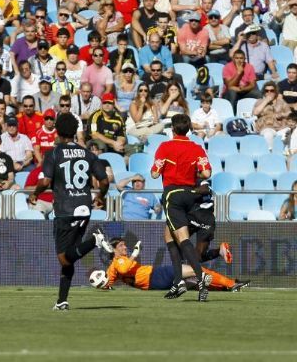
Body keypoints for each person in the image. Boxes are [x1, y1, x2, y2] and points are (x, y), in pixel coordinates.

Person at [29, 113, 111, 310]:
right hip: (84, 207)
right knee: (71, 256)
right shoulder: (88, 154)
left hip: (65, 209)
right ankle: (62, 300)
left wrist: (35, 193)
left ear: (57, 130)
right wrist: (100, 196)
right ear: (75, 131)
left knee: (63, 258)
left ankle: (95, 241)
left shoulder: (54, 154)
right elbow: (105, 180)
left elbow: (46, 181)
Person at [150, 113, 212, 301]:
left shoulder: (165, 147)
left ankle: (200, 279)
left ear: (173, 129)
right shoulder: (196, 148)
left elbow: (154, 174)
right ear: (189, 129)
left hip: (173, 195)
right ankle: (178, 282)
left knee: (181, 238)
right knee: (169, 235)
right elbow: (206, 172)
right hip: (191, 195)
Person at [104, 238, 249, 292]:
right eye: (121, 245)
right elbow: (123, 268)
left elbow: (107, 282)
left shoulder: (112, 267)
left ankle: (226, 287)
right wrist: (135, 253)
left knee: (194, 281)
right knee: (196, 270)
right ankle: (231, 284)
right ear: (113, 249)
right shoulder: (119, 262)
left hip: (154, 282)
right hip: (155, 276)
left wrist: (102, 283)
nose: (125, 248)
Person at [253, 81, 292, 151]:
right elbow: (255, 113)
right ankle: (270, 152)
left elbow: (289, 113)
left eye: (272, 91)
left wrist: (278, 115)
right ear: (264, 92)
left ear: (275, 92)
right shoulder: (260, 101)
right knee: (268, 133)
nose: (269, 92)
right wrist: (266, 101)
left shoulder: (281, 102)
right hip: (266, 127)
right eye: (267, 91)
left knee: (291, 131)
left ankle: (289, 152)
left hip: (280, 127)